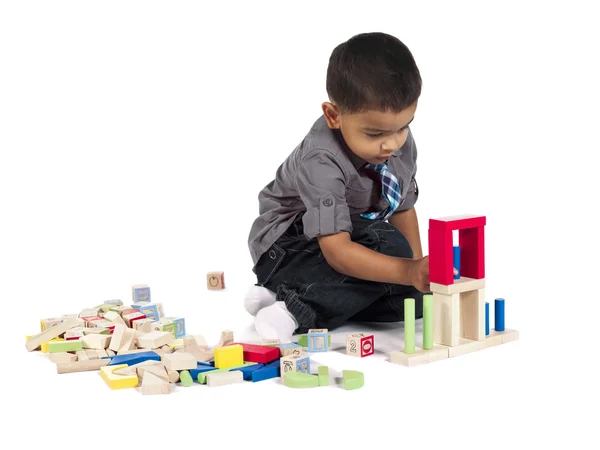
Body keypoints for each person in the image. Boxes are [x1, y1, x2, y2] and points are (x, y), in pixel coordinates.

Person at [246, 32, 440, 341]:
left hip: (350, 240)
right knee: (387, 245)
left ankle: (281, 294)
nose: (391, 143)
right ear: (334, 115)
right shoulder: (321, 158)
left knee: (412, 302)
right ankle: (294, 310)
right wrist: (407, 268)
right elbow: (337, 251)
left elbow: (403, 207)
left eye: (404, 126)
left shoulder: (398, 143)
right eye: (375, 133)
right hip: (288, 247)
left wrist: (416, 275)